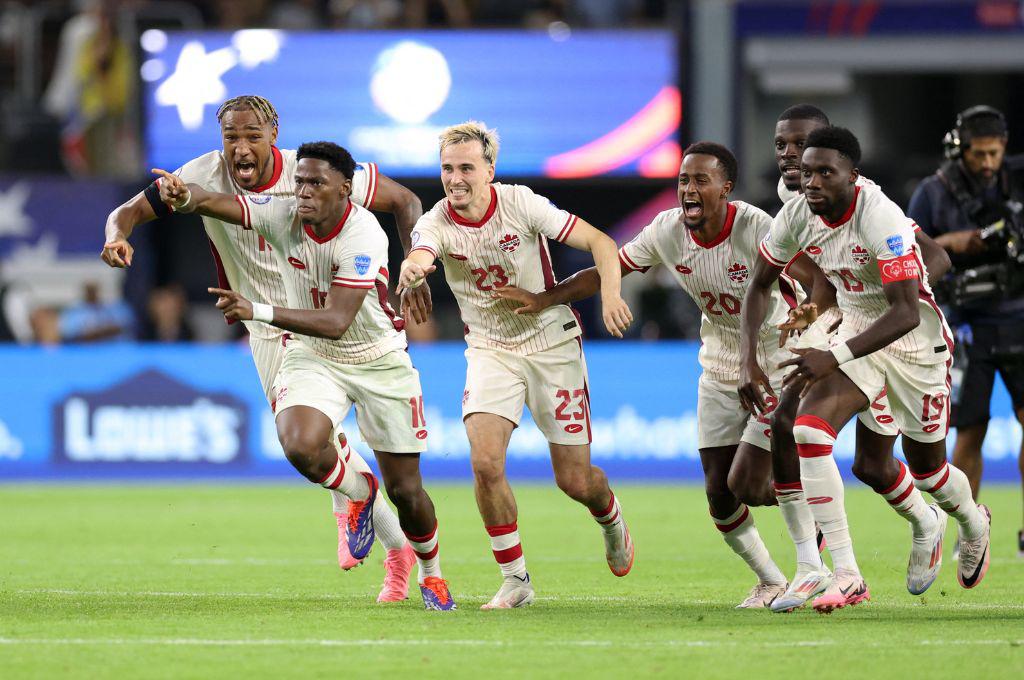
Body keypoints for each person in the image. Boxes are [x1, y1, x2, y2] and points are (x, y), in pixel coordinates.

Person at [101, 95, 430, 601]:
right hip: (265, 327)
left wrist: (415, 267)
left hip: (326, 318)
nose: (241, 148)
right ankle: (367, 506)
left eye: (252, 135)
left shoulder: (311, 174)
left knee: (311, 445)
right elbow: (129, 212)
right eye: (231, 137)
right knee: (308, 449)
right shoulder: (199, 173)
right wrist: (116, 236)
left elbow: (406, 201)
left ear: (274, 132)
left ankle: (382, 534)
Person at [491, 142, 830, 608]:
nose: (688, 190)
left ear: (725, 189)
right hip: (717, 362)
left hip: (774, 358)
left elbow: (815, 280)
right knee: (718, 494)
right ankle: (770, 579)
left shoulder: (758, 227)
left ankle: (816, 543)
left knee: (748, 483)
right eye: (683, 181)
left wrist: (810, 312)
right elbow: (610, 266)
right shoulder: (667, 230)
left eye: (700, 181)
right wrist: (548, 298)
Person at [740, 126, 993, 613]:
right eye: (806, 172)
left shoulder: (882, 217)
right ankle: (847, 574)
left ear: (853, 177)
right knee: (809, 432)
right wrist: (751, 358)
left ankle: (970, 522)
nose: (810, 181)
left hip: (914, 345)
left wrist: (830, 355)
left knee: (930, 472)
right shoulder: (795, 214)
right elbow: (759, 284)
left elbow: (903, 311)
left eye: (823, 172)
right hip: (858, 334)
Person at [396, 121, 634, 610]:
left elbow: (602, 244)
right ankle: (516, 578)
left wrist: (610, 294)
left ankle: (609, 518)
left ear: (490, 170)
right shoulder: (435, 222)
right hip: (490, 349)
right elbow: (420, 254)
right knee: (484, 462)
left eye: (466, 167)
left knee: (574, 480)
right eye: (447, 168)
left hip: (552, 344)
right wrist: (412, 271)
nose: (455, 178)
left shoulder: (521, 203)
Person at [908, 105, 1024, 554]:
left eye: (995, 153)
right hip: (965, 325)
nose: (988, 163)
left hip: (1018, 316)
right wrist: (958, 243)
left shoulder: (1018, 179)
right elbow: (905, 249)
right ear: (960, 149)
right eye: (979, 154)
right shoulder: (933, 193)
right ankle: (969, 531)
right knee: (969, 430)